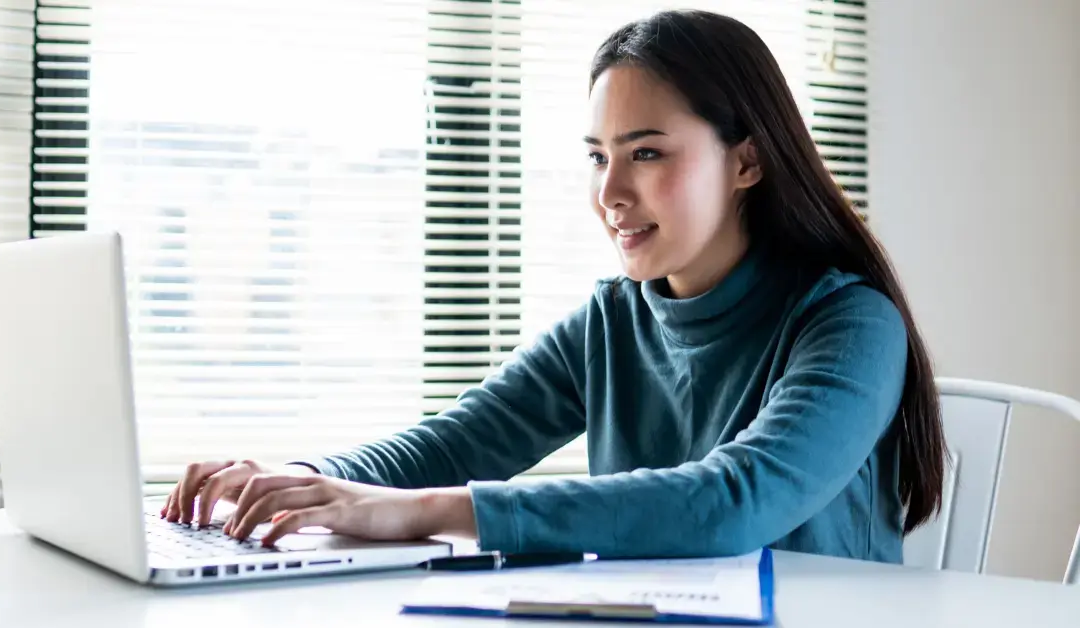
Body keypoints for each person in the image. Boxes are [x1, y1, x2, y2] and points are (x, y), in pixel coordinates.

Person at [161, 9, 947, 563]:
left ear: (746, 161)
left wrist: (430, 512)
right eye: (598, 157)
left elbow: (734, 502)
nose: (610, 194)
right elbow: (458, 441)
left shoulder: (850, 325)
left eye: (646, 154)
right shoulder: (613, 322)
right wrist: (298, 482)